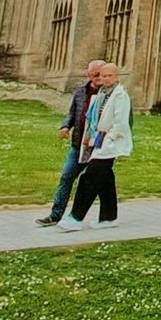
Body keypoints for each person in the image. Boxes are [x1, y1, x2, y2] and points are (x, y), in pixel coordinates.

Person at [56, 64, 132, 231]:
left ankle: (75, 218)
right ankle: (108, 217)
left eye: (109, 76)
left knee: (89, 179)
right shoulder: (101, 94)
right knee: (105, 180)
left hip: (108, 144)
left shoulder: (120, 95)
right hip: (97, 142)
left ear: (116, 76)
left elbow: (120, 123)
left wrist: (108, 138)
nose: (105, 79)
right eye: (102, 76)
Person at [38, 61, 104, 226]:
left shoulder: (109, 94)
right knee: (67, 177)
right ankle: (55, 215)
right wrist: (66, 126)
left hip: (99, 146)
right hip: (79, 145)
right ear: (89, 75)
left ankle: (106, 216)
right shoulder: (81, 91)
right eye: (95, 74)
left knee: (101, 182)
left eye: (101, 74)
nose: (98, 78)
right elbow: (72, 113)